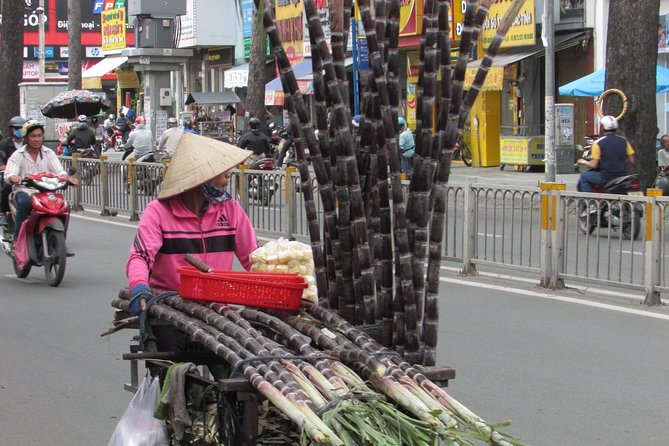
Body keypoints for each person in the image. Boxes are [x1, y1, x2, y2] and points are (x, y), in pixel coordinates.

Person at [126, 132, 257, 357]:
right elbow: (141, 256)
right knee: (170, 362)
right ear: (200, 179)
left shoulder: (230, 209)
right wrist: (139, 286)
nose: (227, 180)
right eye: (222, 174)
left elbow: (254, 258)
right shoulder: (158, 212)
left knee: (241, 366)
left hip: (219, 308)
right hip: (171, 305)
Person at [4, 120, 78, 242]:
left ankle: (61, 240)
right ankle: (18, 240)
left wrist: (67, 179)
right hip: (24, 191)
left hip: (46, 193)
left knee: (65, 206)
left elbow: (59, 171)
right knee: (24, 204)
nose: (37, 139)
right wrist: (14, 177)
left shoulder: (49, 153)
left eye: (39, 136)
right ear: (26, 138)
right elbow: (9, 173)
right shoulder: (18, 155)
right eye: (33, 136)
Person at [577, 115, 635, 213]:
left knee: (584, 176)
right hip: (623, 176)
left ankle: (591, 205)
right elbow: (632, 160)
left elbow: (594, 165)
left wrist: (582, 161)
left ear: (602, 127)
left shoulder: (598, 143)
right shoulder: (624, 141)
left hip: (606, 177)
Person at [0, 116, 27, 225]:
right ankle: (4, 214)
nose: (19, 130)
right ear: (12, 129)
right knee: (6, 189)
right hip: (10, 176)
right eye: (16, 128)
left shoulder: (29, 144)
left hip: (27, 176)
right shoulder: (4, 144)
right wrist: (2, 165)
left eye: (21, 128)